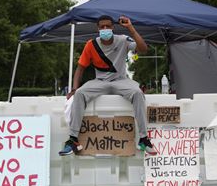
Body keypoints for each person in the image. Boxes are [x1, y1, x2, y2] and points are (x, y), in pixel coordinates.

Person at [59, 15, 156, 156]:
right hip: (100, 81)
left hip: (121, 80)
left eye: (108, 26)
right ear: (98, 28)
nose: (105, 29)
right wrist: (74, 89)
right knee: (79, 94)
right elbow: (80, 69)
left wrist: (130, 28)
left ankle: (143, 138)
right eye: (102, 26)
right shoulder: (91, 44)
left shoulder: (123, 39)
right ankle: (73, 139)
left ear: (113, 27)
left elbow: (143, 49)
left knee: (138, 93)